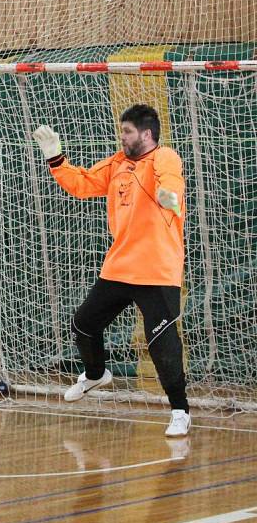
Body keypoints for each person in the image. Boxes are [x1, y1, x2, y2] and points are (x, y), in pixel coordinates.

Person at [32, 103, 190, 437]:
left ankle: (179, 411)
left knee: (161, 342)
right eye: (122, 131)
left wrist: (170, 198)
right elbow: (82, 184)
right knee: (84, 324)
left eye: (128, 131)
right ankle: (95, 374)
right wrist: (55, 159)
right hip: (120, 266)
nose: (122, 136)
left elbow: (171, 187)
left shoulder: (164, 158)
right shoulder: (117, 163)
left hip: (156, 269)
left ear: (146, 134)